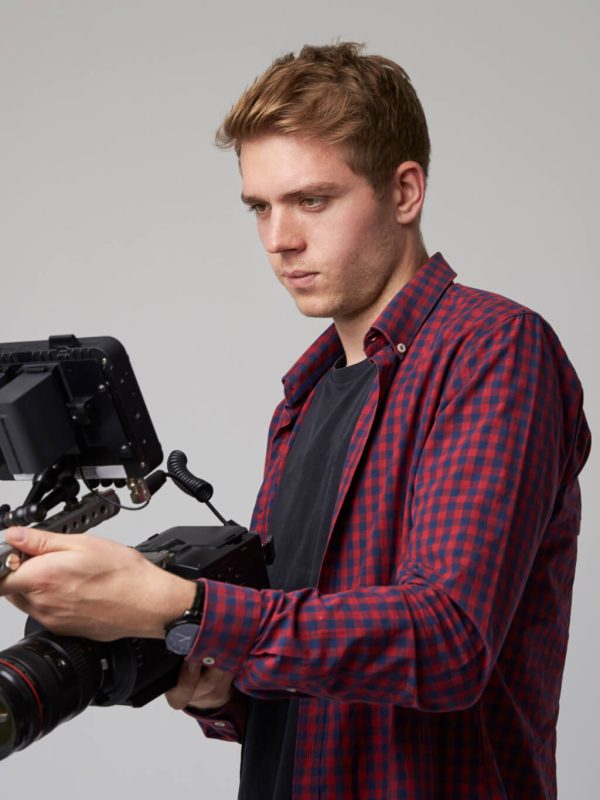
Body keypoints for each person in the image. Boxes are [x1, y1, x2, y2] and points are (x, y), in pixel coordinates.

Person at [0, 43, 591, 799]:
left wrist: (178, 604)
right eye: (260, 207)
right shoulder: (304, 400)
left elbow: (446, 644)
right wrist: (220, 688)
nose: (280, 239)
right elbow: (317, 677)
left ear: (405, 191)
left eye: (313, 200)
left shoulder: (493, 349)